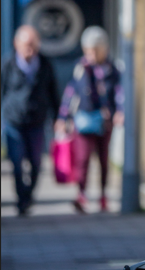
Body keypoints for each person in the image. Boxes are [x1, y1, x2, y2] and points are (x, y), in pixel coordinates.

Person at [55, 26, 123, 213]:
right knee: (82, 158)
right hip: (84, 120)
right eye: (88, 50)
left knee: (103, 159)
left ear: (104, 49)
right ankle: (81, 195)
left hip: (104, 120)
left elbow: (119, 93)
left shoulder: (112, 69)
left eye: (95, 50)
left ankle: (103, 196)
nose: (91, 54)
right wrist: (62, 116)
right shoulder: (81, 68)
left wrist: (120, 111)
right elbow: (70, 93)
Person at [1, 25, 60, 215]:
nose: (30, 49)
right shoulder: (7, 65)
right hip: (14, 121)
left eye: (34, 45)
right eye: (27, 45)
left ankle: (29, 194)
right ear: (16, 44)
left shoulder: (44, 64)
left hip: (36, 121)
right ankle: (21, 200)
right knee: (16, 163)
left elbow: (53, 93)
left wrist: (58, 117)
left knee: (36, 163)